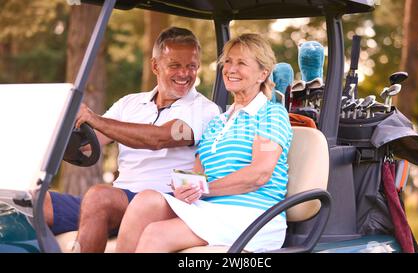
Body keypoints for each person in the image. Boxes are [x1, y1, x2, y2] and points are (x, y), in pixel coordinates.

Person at [44, 27, 220, 252]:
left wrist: (94, 118)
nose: (185, 74)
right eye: (175, 65)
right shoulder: (130, 104)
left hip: (162, 202)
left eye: (191, 66)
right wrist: (62, 128)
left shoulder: (204, 110)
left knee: (99, 196)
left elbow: (158, 138)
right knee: (36, 203)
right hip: (120, 200)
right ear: (155, 65)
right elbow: (88, 145)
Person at [115, 33, 293, 253]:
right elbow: (198, 174)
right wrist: (184, 186)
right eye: (227, 62)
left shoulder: (271, 114)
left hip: (253, 215)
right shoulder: (218, 122)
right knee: (145, 200)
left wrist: (203, 189)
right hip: (211, 209)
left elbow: (259, 175)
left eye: (241, 63)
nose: (231, 69)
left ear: (262, 74)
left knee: (155, 234)